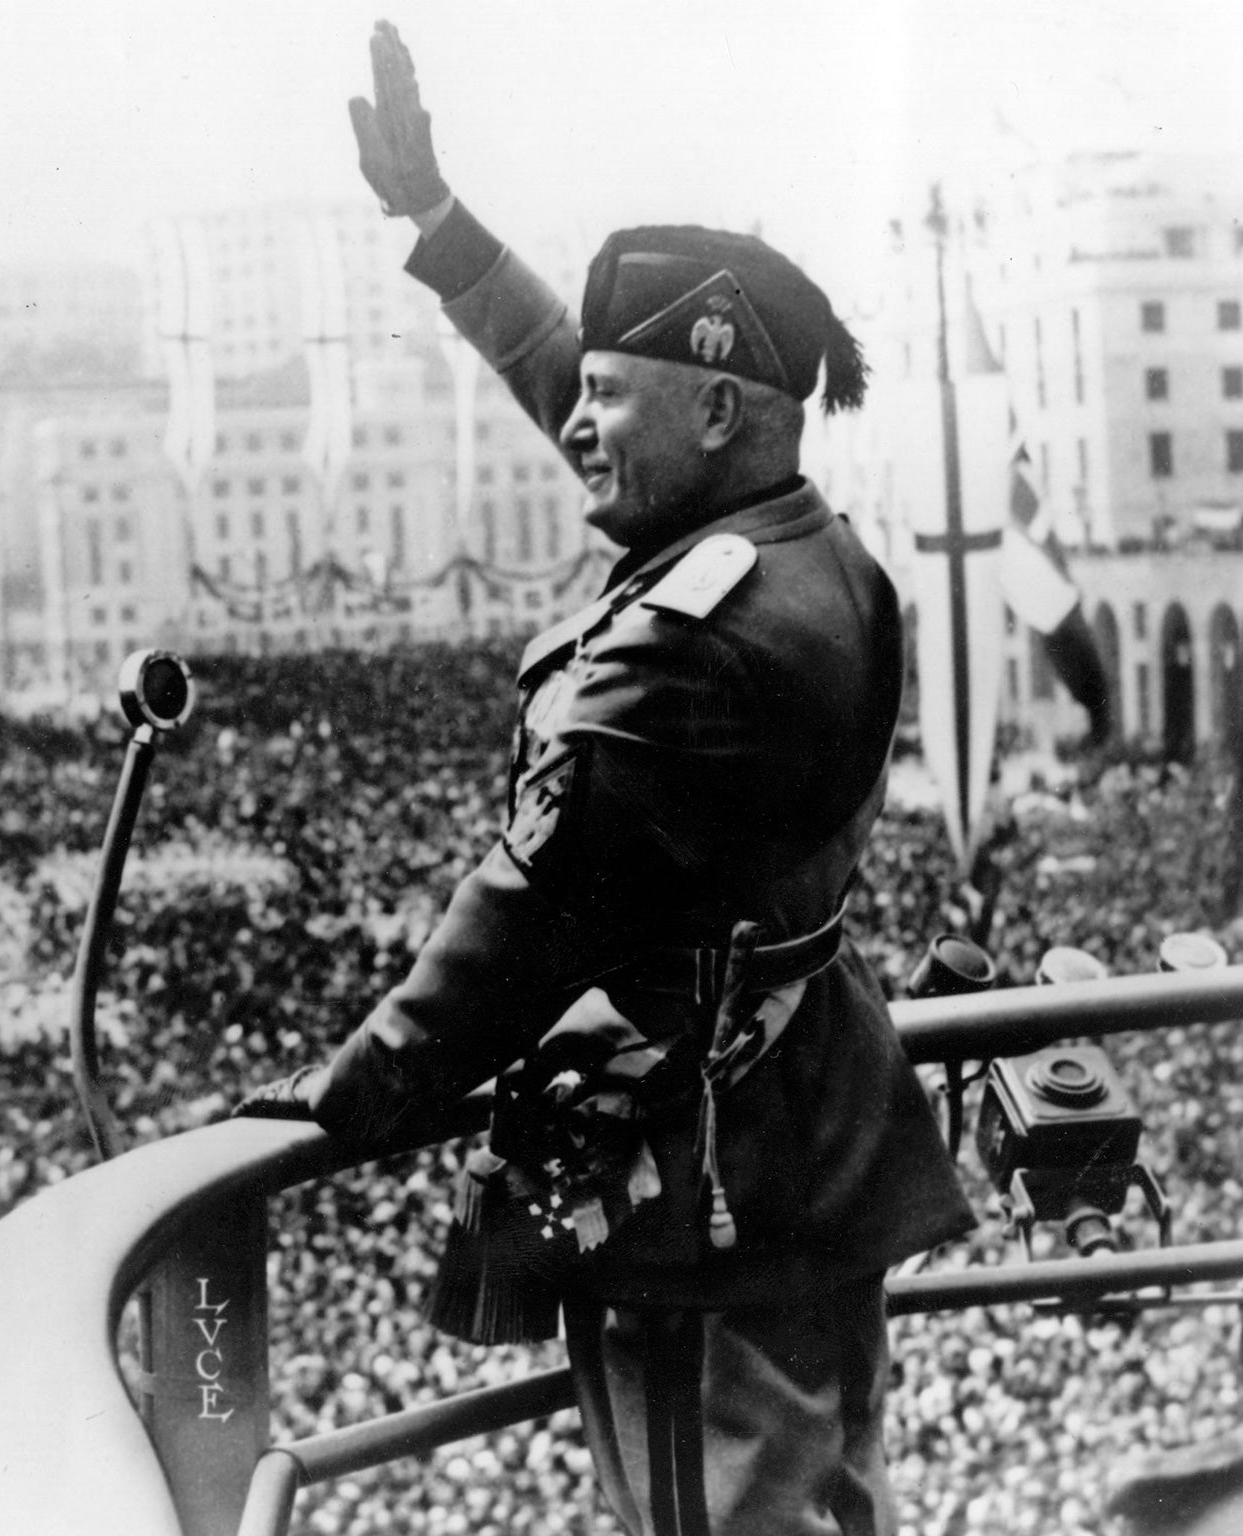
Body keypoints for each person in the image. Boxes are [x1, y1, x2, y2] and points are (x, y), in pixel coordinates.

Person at [239, 22, 975, 1536]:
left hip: (700, 1172)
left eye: (610, 396)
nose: (573, 416)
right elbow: (578, 392)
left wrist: (354, 1094)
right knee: (829, 1496)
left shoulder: (690, 641)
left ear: (715, 413)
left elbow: (531, 902)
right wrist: (444, 235)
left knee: (717, 1517)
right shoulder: (797, 551)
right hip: (806, 1123)